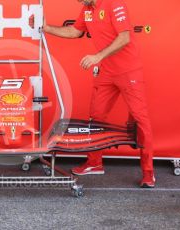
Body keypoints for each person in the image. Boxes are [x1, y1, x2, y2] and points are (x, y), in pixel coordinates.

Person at [31, 0, 155, 188]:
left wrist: (97, 57)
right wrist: (46, 27)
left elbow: (125, 38)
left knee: (140, 120)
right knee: (96, 118)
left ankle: (148, 173)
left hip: (128, 71)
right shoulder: (87, 9)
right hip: (106, 72)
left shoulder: (114, 4)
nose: (78, 1)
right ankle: (95, 163)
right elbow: (74, 31)